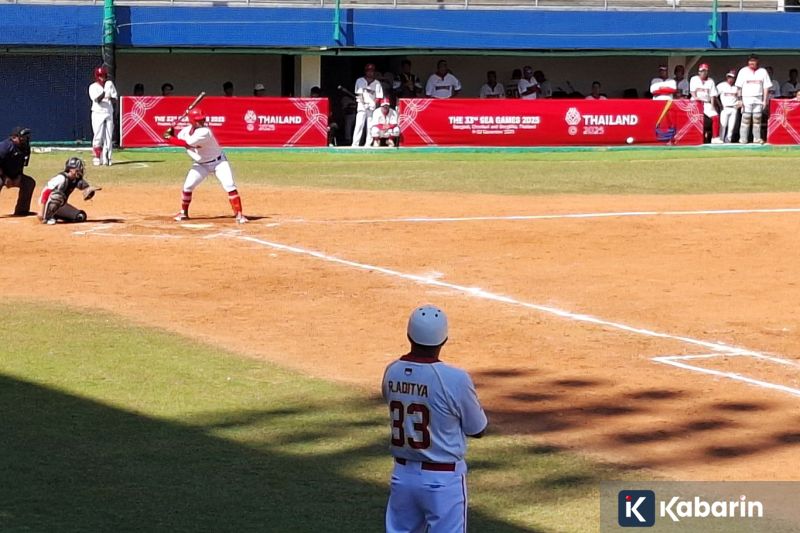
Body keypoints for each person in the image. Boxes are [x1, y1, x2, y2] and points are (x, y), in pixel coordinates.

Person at [382, 305, 487, 533]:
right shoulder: (455, 378)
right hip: (443, 480)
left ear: (409, 335)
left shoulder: (392, 371)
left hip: (402, 477)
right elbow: (477, 428)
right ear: (444, 339)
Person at [163, 108, 248, 224]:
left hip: (218, 162)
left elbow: (186, 143)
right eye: (199, 120)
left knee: (229, 185)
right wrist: (171, 135)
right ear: (192, 121)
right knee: (187, 186)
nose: (202, 122)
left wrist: (169, 138)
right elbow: (179, 139)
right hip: (201, 164)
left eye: (203, 119)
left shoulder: (205, 132)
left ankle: (239, 214)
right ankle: (184, 213)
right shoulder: (185, 131)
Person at [38, 157, 100, 224]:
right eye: (77, 168)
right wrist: (41, 211)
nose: (80, 170)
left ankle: (55, 215)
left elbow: (85, 188)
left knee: (81, 216)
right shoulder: (61, 178)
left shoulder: (76, 179)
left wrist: (90, 190)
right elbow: (46, 193)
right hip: (46, 202)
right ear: (70, 169)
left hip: (60, 205)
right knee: (58, 196)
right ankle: (47, 217)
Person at [735, 54, 771, 144]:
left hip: (758, 98)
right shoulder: (743, 71)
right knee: (746, 118)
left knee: (757, 119)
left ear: (757, 61)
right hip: (746, 98)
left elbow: (766, 87)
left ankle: (756, 138)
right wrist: (739, 99)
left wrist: (765, 100)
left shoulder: (763, 71)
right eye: (750, 61)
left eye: (753, 61)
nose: (751, 62)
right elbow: (738, 87)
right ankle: (743, 139)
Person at [0, 127, 36, 217]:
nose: (25, 139)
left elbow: (21, 164)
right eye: (22, 137)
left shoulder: (26, 148)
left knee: (29, 183)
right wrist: (4, 177)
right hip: (1, 175)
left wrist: (19, 175)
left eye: (26, 137)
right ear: (14, 138)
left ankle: (22, 211)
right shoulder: (5, 147)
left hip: (14, 175)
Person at [88, 66, 117, 166]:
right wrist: (105, 92)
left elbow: (115, 99)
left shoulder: (109, 84)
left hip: (108, 112)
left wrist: (110, 97)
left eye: (103, 75)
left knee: (108, 136)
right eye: (100, 76)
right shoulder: (93, 87)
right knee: (98, 135)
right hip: (97, 112)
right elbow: (97, 100)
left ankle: (107, 157)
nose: (102, 77)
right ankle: (97, 156)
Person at [351, 63, 384, 147]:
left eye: (372, 71)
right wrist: (363, 102)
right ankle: (355, 144)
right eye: (368, 71)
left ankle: (368, 144)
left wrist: (374, 104)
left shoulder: (377, 83)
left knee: (370, 126)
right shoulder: (360, 80)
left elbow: (379, 96)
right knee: (359, 125)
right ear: (365, 71)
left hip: (371, 107)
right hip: (362, 106)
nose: (370, 73)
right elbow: (359, 94)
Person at [689, 63, 723, 144]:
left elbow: (712, 95)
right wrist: (695, 98)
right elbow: (692, 91)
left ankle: (715, 138)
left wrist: (712, 106)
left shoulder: (710, 81)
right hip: (696, 102)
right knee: (696, 119)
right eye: (702, 71)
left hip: (706, 102)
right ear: (699, 72)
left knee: (715, 117)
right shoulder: (694, 79)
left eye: (705, 71)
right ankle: (694, 137)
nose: (703, 73)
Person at [717, 69, 741, 143]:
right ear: (727, 77)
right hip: (725, 107)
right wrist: (719, 105)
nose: (730, 79)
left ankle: (728, 141)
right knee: (723, 125)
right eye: (729, 77)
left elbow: (740, 97)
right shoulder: (721, 85)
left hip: (734, 108)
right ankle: (721, 140)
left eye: (732, 77)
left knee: (731, 127)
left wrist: (739, 104)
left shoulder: (737, 87)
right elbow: (714, 96)